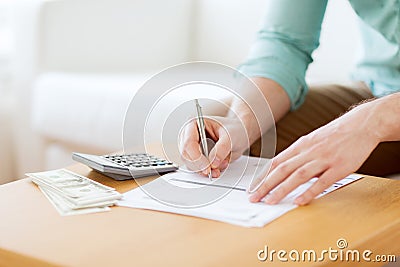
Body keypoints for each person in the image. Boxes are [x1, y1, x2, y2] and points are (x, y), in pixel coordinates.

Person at [179, 0, 400, 205]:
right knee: (211, 136)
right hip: (380, 86)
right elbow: (286, 42)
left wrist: (376, 120)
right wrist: (240, 122)